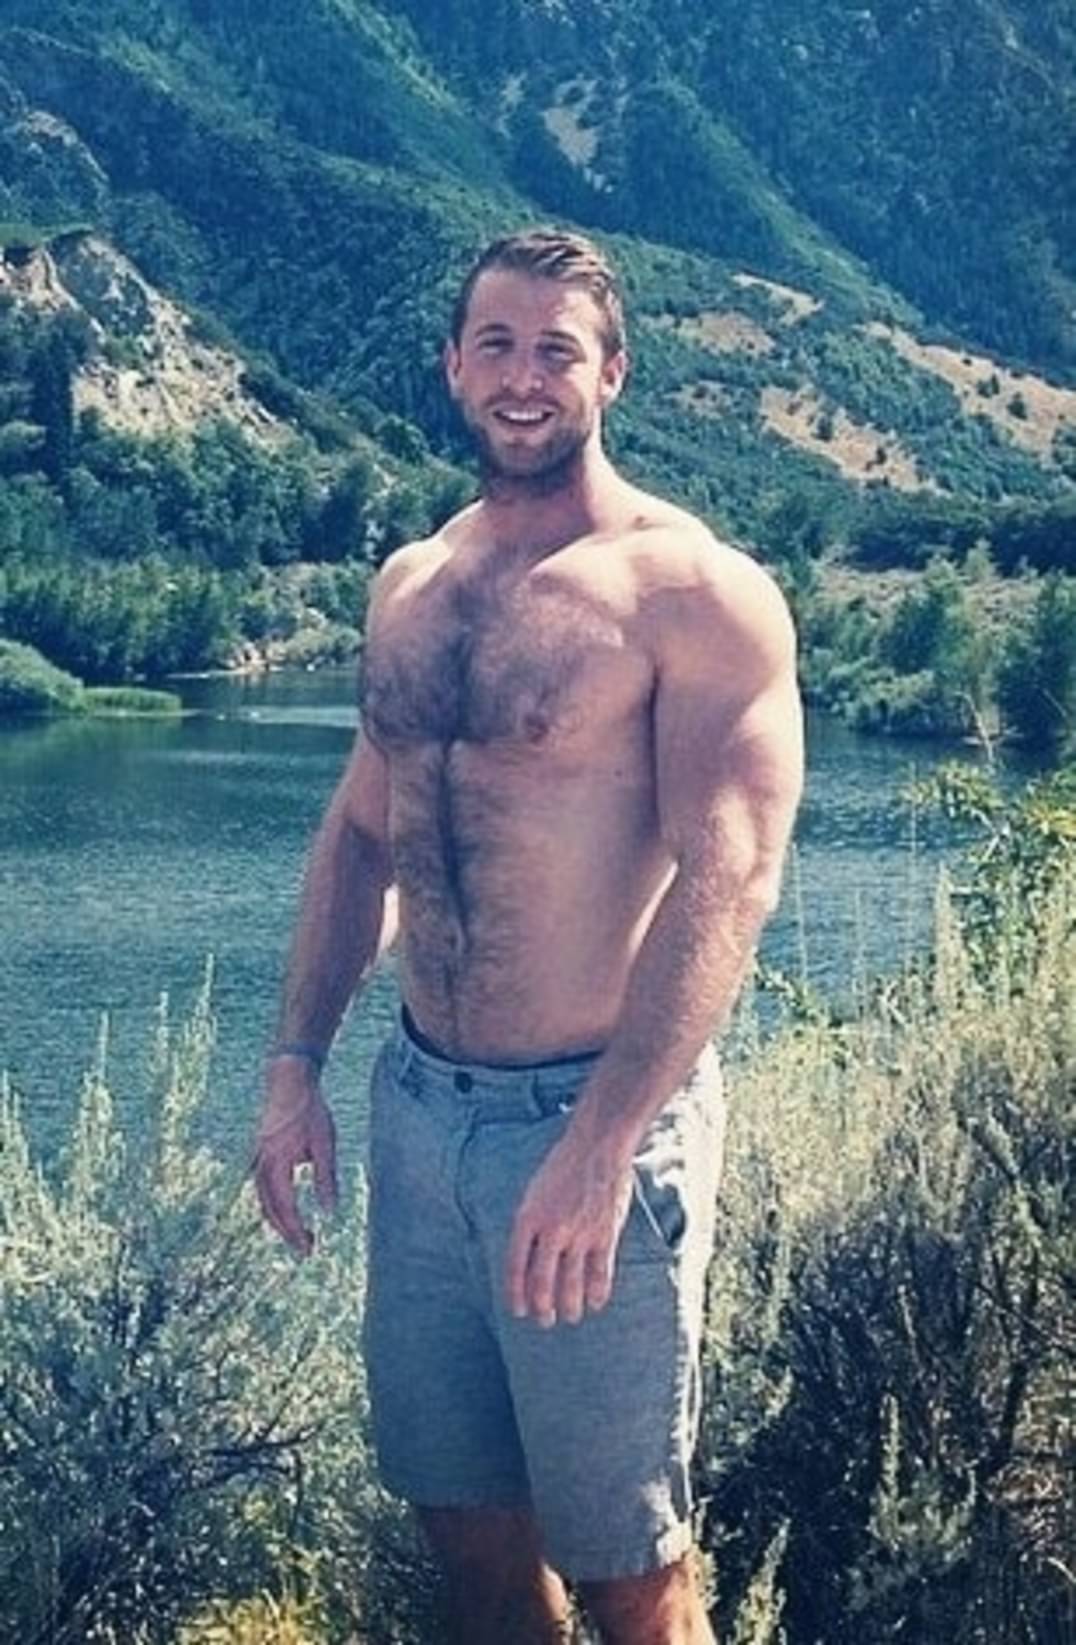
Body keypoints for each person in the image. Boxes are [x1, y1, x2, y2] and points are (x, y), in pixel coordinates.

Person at [253, 227, 804, 1645]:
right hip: (420, 1111)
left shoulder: (691, 593)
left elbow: (731, 878)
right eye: (494, 344)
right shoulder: (411, 585)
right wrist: (295, 1064)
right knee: (467, 1525)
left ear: (611, 374)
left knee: (630, 1567)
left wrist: (605, 1138)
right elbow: (364, 833)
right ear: (452, 366)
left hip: (587, 1122)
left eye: (556, 350)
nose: (521, 376)